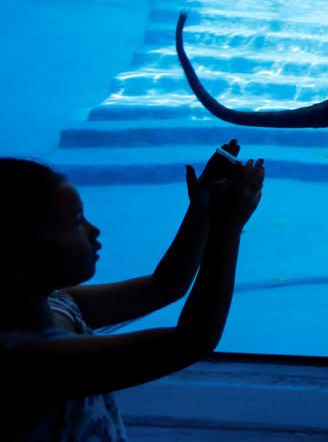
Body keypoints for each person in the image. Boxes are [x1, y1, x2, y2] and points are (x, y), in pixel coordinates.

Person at [0, 140, 264, 440]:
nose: (93, 230)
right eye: (75, 220)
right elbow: (192, 341)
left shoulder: (58, 303)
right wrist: (227, 229)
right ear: (17, 253)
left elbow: (165, 285)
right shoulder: (28, 364)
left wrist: (202, 206)